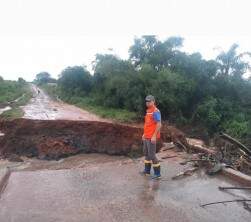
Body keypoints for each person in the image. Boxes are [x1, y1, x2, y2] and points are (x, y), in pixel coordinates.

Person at [141, 95, 162, 179]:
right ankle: (147, 171)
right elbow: (148, 124)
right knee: (146, 154)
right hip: (147, 136)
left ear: (153, 101)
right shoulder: (148, 111)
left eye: (149, 101)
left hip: (151, 137)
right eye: (146, 101)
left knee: (152, 155)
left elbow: (159, 124)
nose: (147, 103)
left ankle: (157, 174)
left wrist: (154, 136)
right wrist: (144, 134)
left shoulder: (156, 111)